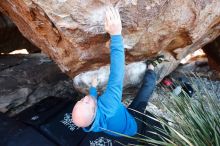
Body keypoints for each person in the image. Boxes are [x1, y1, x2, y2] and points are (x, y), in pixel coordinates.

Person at [72, 6, 165, 137]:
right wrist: (116, 35)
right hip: (133, 124)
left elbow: (91, 101)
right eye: (85, 102)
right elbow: (117, 72)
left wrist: (93, 88)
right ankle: (151, 67)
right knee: (145, 94)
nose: (84, 98)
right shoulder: (109, 104)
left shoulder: (92, 123)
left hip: (119, 127)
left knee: (111, 108)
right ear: (94, 110)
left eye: (80, 101)